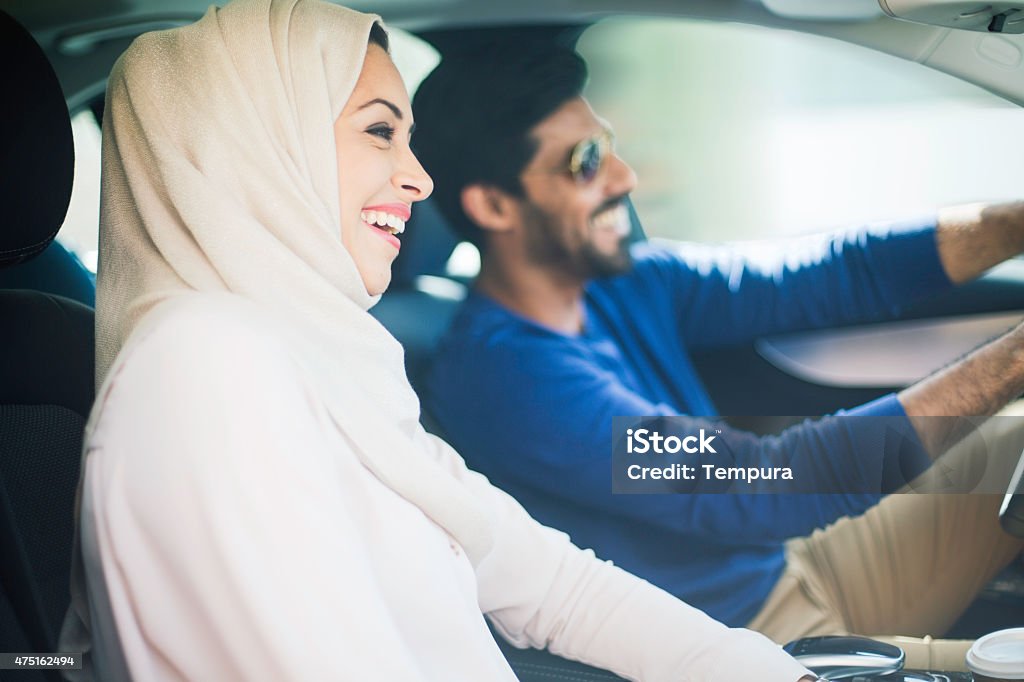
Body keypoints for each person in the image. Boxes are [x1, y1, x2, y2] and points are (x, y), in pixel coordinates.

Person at [55, 1, 820, 680]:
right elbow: (745, 480)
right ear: (261, 145)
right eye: (380, 131)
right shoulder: (204, 371)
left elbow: (553, 584)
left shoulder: (340, 365)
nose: (419, 180)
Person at [413, 42, 1024, 669]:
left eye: (609, 145)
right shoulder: (510, 379)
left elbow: (840, 272)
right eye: (585, 161)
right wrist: (1011, 361)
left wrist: (1014, 224)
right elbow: (766, 482)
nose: (624, 177)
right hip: (749, 640)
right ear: (493, 204)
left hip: (795, 560)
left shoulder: (627, 283)